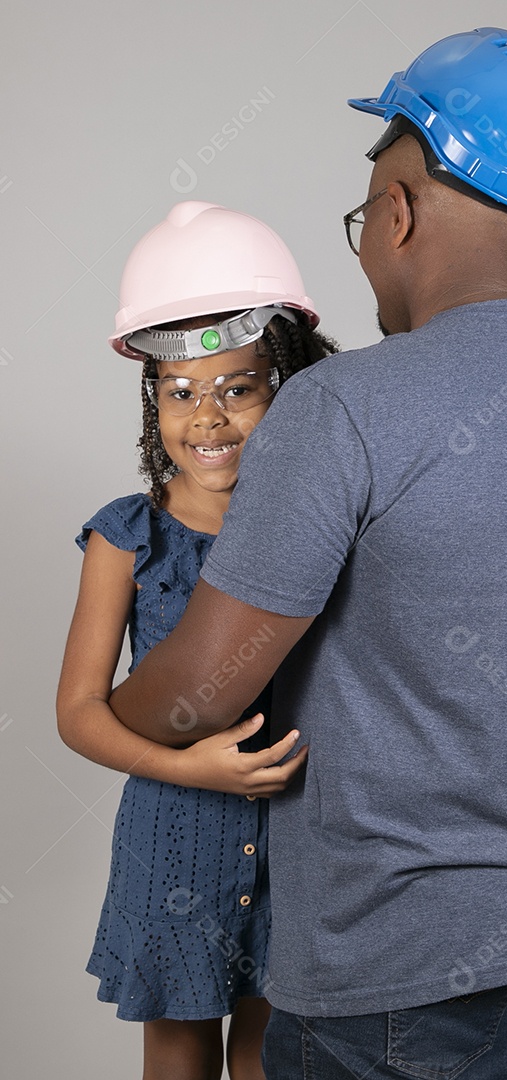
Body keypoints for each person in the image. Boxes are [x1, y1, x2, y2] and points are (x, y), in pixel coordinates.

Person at [104, 28, 507, 1079]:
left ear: (397, 209)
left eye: (362, 213)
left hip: (396, 978)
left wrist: (127, 702)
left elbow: (198, 694)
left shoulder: (345, 406)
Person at [56, 200, 336, 1080]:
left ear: (281, 387)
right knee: (179, 1060)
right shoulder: (125, 537)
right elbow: (76, 713)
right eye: (180, 393)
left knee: (270, 1059)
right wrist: (192, 768)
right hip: (173, 838)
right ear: (153, 399)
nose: (206, 419)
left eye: (237, 389)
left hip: (301, 837)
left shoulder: (318, 526)